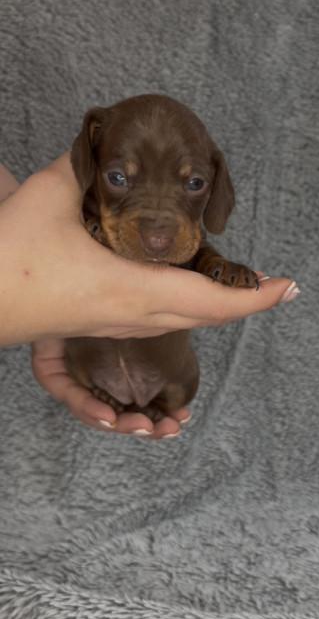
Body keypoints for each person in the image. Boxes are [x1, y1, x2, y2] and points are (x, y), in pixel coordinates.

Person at [0, 155, 299, 439]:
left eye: (194, 184)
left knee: (180, 384)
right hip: (87, 370)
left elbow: (33, 227)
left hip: (168, 381)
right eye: (118, 178)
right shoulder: (92, 209)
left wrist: (19, 230)